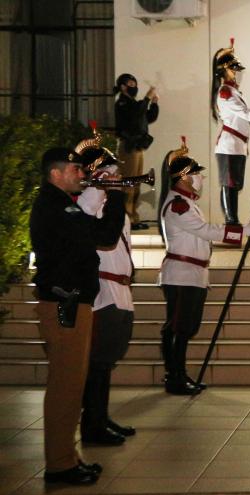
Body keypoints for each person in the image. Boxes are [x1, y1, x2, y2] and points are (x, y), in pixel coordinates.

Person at [30, 147, 126, 485]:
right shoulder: (55, 206)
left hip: (73, 304)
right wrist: (115, 197)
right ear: (56, 174)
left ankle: (68, 458)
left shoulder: (61, 205)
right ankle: (59, 465)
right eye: (74, 168)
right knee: (65, 386)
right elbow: (104, 236)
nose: (80, 173)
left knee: (72, 385)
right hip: (64, 305)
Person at [158, 138, 250, 395]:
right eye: (195, 174)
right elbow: (205, 231)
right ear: (182, 178)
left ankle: (179, 374)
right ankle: (174, 377)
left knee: (186, 328)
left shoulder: (188, 203)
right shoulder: (178, 205)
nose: (200, 178)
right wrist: (241, 231)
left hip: (193, 274)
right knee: (178, 328)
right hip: (181, 275)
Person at [74, 136, 137, 445]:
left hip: (119, 286)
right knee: (97, 359)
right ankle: (92, 424)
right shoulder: (89, 198)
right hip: (103, 288)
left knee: (107, 359)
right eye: (109, 170)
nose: (116, 176)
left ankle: (101, 416)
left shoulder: (108, 199)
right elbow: (100, 231)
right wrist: (102, 188)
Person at [212, 40, 250, 225]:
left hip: (238, 145)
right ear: (224, 70)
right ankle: (231, 220)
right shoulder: (225, 92)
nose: (237, 73)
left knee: (236, 184)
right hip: (229, 145)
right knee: (229, 184)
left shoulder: (234, 91)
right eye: (233, 69)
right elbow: (245, 113)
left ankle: (233, 219)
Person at [113, 72, 158, 230]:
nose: (135, 87)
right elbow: (136, 115)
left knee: (136, 183)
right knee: (128, 183)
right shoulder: (122, 103)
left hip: (137, 147)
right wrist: (146, 98)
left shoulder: (133, 103)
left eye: (135, 84)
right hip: (128, 147)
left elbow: (148, 117)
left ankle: (133, 217)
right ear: (123, 87)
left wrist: (154, 104)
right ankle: (126, 218)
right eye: (131, 84)